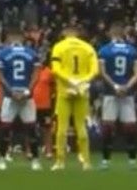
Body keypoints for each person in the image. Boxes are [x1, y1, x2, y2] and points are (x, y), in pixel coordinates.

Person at [49, 24, 98, 171]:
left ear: (65, 33)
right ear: (78, 33)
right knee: (81, 127)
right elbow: (95, 70)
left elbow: (55, 69)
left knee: (62, 128)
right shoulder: (88, 48)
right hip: (82, 90)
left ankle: (60, 162)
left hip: (65, 90)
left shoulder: (59, 46)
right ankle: (86, 162)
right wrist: (83, 81)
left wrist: (70, 81)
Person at [0, 27, 41, 172]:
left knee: (6, 129)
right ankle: (35, 161)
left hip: (11, 95)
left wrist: (10, 91)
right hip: (25, 95)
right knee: (30, 129)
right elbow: (36, 74)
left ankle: (2, 161)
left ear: (9, 37)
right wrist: (28, 90)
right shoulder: (31, 53)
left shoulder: (2, 53)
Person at [97, 23, 137, 170]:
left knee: (108, 127)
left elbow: (102, 72)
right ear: (123, 34)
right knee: (130, 127)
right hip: (127, 93)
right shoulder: (131, 50)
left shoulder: (104, 50)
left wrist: (115, 86)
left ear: (110, 34)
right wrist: (127, 86)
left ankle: (105, 161)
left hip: (111, 93)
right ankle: (132, 161)